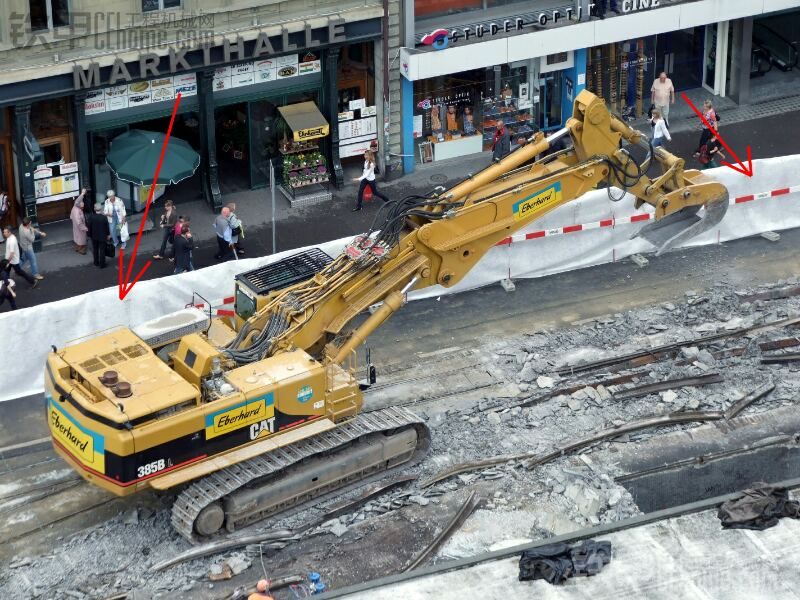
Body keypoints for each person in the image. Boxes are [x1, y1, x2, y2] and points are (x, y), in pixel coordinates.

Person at [87, 202, 111, 269]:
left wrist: (89, 234)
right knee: (102, 250)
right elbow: (107, 227)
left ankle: (96, 262)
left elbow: (89, 227)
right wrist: (108, 235)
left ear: (95, 209)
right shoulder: (104, 218)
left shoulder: (91, 217)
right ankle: (102, 264)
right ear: (101, 209)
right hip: (102, 236)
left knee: (95, 249)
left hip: (94, 236)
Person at [70, 189, 89, 255]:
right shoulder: (78, 211)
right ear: (80, 207)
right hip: (80, 227)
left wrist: (82, 194)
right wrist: (85, 228)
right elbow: (79, 223)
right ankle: (81, 250)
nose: (83, 209)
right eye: (82, 208)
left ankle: (77, 247)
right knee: (82, 239)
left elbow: (77, 201)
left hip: (75, 225)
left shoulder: (75, 207)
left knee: (76, 237)